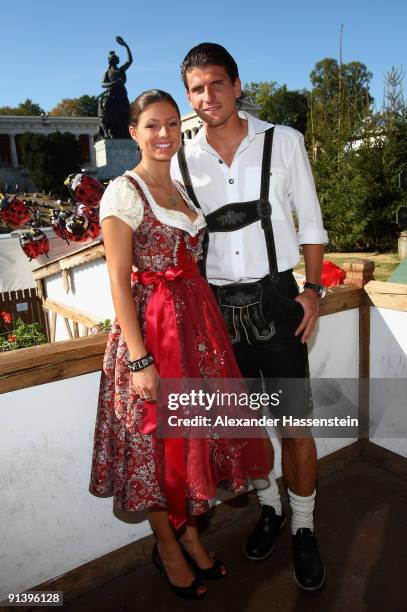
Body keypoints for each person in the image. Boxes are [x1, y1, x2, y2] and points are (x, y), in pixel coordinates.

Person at [89, 89, 271, 600]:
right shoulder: (124, 192)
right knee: (157, 451)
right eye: (152, 125)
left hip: (197, 337)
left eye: (172, 123)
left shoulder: (182, 196)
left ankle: (190, 535)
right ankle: (169, 549)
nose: (164, 133)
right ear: (134, 132)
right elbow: (120, 282)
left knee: (192, 446)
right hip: (152, 338)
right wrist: (142, 359)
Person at [171, 42, 329, 591]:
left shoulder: (283, 141)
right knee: (244, 426)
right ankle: (271, 509)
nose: (207, 96)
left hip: (278, 300)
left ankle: (304, 527)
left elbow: (310, 220)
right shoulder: (181, 159)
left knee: (296, 426)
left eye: (217, 83)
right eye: (196, 88)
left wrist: (312, 290)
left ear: (237, 86)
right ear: (188, 97)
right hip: (217, 309)